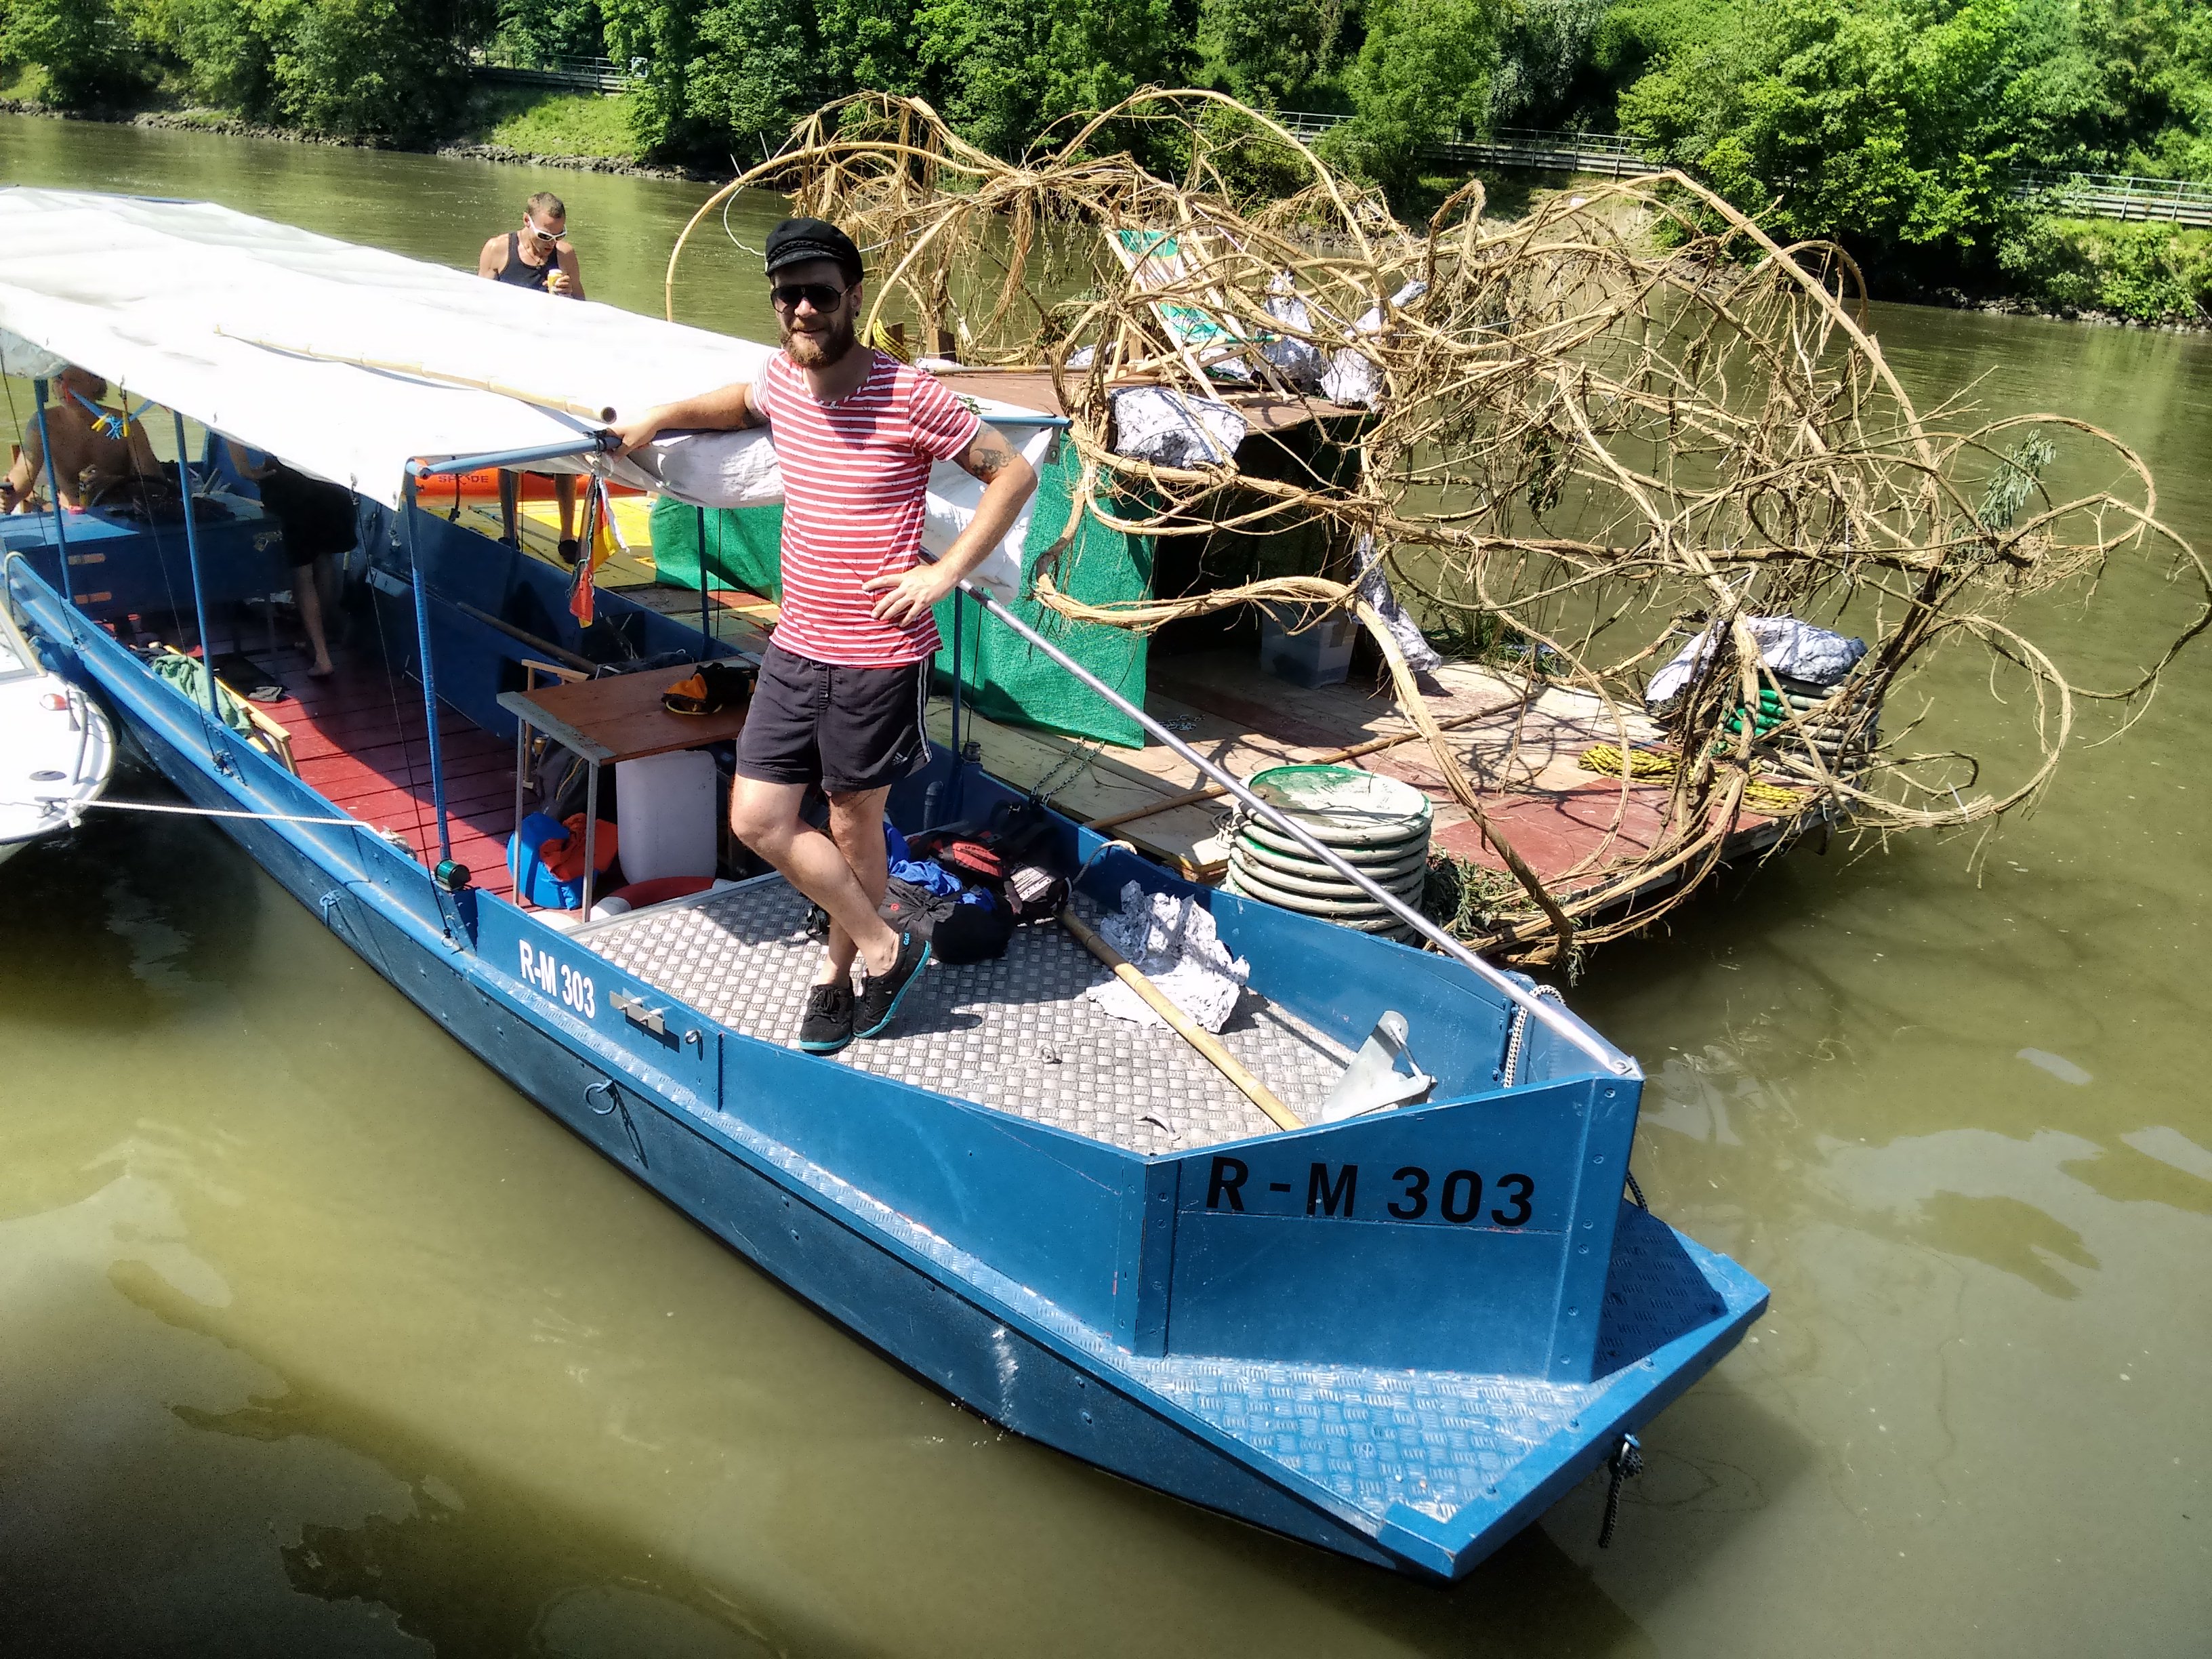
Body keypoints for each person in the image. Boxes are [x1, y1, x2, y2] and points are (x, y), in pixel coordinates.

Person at [614, 217, 1038, 1054]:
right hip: (796, 646)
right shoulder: (782, 379)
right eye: (788, 294)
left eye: (819, 293)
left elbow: (1012, 471)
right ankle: (887, 945)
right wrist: (658, 417)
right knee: (759, 819)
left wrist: (943, 571)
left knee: (853, 826)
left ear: (853, 298)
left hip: (879, 655)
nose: (803, 307)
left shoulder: (908, 392)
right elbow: (739, 402)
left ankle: (839, 977)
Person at [477, 190, 583, 562]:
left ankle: (568, 535)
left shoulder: (564, 255)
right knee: (512, 449)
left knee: (565, 446)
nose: (550, 245)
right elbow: (478, 307)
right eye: (545, 236)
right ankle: (510, 530)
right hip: (512, 361)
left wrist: (569, 296)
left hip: (553, 361)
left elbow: (586, 312)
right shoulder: (497, 250)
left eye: (558, 236)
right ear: (527, 222)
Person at [226, 443, 353, 678]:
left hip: (291, 489)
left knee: (303, 575)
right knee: (324, 561)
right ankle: (312, 640)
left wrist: (247, 471)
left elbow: (229, 432)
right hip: (331, 482)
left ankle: (322, 657)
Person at [1, 365, 162, 513]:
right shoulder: (43, 423)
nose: (63, 388)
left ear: (96, 383)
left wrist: (112, 483)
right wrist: (8, 496)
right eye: (58, 379)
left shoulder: (125, 423)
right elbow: (24, 474)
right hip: (70, 516)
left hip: (122, 512)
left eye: (74, 381)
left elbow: (155, 482)